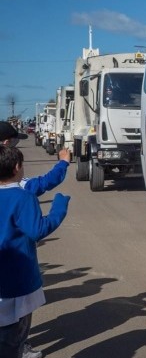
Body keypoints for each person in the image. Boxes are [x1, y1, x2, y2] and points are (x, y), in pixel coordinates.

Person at [0, 121, 69, 358]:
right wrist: (59, 207)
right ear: (17, 166)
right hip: (16, 278)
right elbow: (38, 229)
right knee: (14, 330)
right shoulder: (23, 195)